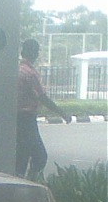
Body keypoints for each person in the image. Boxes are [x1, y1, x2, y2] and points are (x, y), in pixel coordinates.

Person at [16, 38, 71, 179]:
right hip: (27, 118)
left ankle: (22, 182)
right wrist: (62, 113)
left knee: (23, 155)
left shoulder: (17, 70)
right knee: (39, 157)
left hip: (17, 118)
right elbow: (43, 97)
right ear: (34, 53)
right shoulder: (30, 73)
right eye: (37, 51)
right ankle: (30, 183)